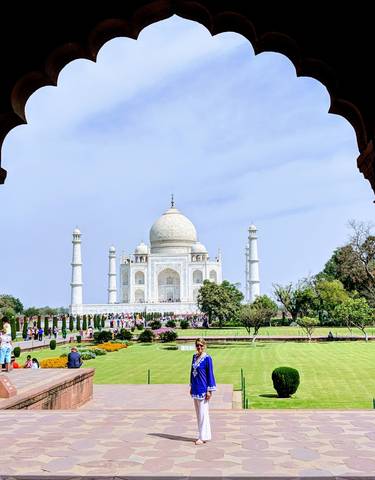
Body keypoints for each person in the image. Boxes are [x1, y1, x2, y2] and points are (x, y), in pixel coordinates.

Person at [190, 338, 216, 445]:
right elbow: (191, 372)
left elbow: (210, 374)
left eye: (201, 345)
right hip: (195, 388)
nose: (199, 347)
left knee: (203, 414)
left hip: (203, 390)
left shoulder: (207, 358)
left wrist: (209, 390)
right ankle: (201, 434)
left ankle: (203, 436)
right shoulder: (194, 357)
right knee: (198, 414)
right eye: (197, 345)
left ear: (204, 346)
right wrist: (191, 385)